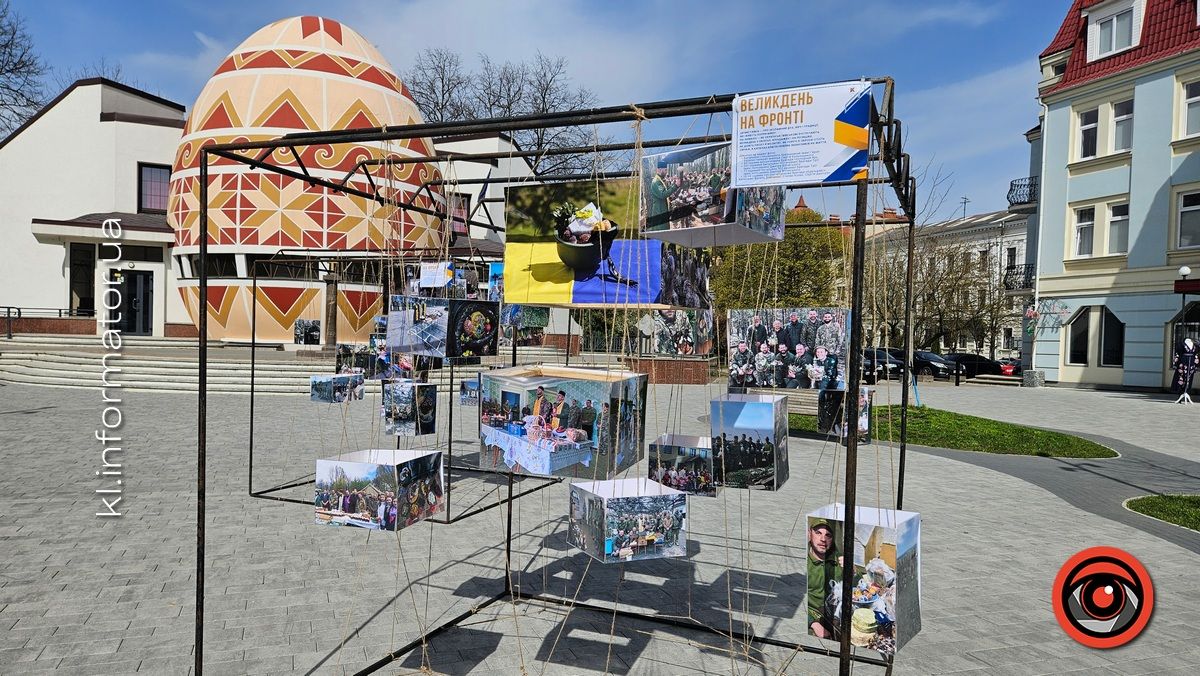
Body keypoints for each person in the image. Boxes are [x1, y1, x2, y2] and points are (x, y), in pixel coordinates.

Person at [807, 519, 843, 640]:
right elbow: (790, 599)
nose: (823, 539)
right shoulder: (804, 562)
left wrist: (853, 572)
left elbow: (857, 589)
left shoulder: (837, 560)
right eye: (818, 533)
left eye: (828, 535)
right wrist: (813, 623)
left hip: (835, 613)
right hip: (812, 615)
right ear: (809, 533)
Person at [647, 160, 679, 229]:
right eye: (665, 170)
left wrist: (673, 186)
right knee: (661, 229)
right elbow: (663, 194)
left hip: (662, 209)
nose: (666, 172)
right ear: (659, 170)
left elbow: (666, 190)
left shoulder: (661, 180)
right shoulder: (656, 182)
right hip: (659, 211)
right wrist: (675, 186)